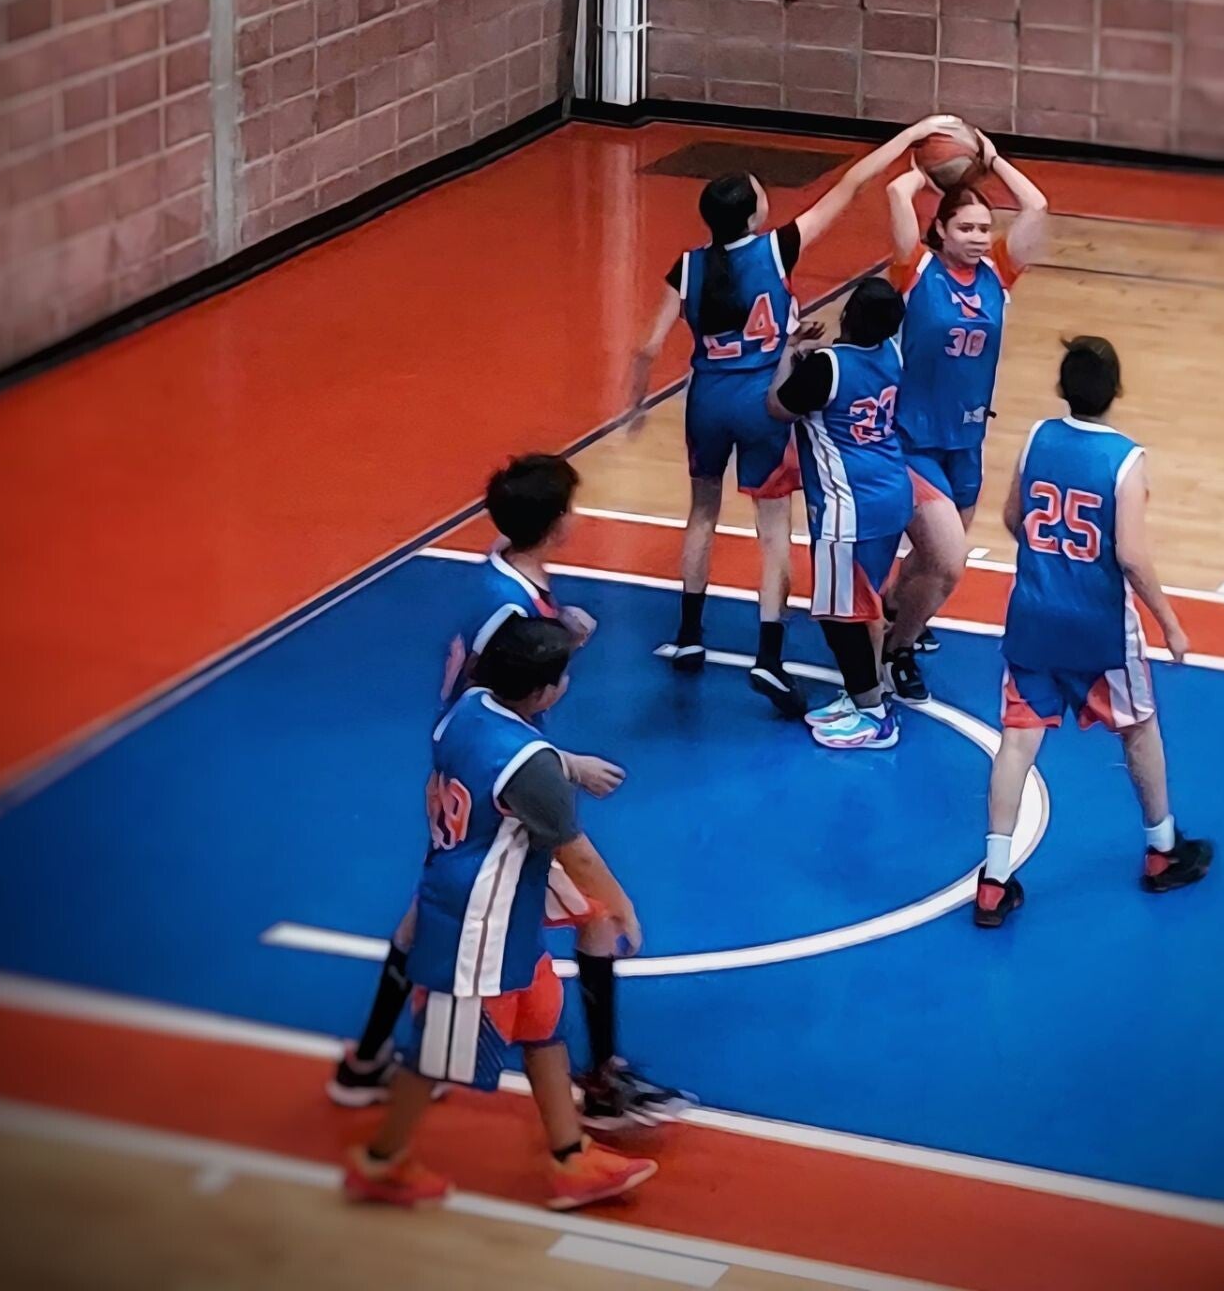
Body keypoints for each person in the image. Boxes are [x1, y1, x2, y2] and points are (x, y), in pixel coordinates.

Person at [329, 454, 688, 1131]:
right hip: (499, 781)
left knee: (423, 920)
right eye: (569, 509)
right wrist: (561, 762)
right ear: (554, 525)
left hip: (479, 767)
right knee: (596, 915)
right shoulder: (509, 607)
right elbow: (490, 690)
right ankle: (601, 1083)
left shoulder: (505, 565)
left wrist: (562, 632)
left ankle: (367, 1061)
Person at [629, 118, 961, 718]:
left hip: (706, 398)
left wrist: (634, 407)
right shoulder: (777, 247)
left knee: (702, 513)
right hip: (763, 395)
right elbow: (852, 183)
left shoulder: (688, 265)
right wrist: (914, 133)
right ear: (752, 215)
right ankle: (768, 654)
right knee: (773, 530)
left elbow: (648, 347)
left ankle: (690, 634)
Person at [344, 616, 659, 1212]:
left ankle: (570, 1156)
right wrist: (621, 906)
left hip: (499, 907)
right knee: (435, 1056)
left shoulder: (467, 709)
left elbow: (505, 756)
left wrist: (566, 764)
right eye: (561, 676)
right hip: (474, 928)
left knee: (541, 1019)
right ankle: (381, 1162)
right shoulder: (531, 765)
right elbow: (577, 853)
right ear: (543, 693)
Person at [975, 337, 1213, 926]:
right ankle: (1162, 849)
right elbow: (1130, 555)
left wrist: (1050, 559)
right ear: (1117, 391)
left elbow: (1012, 517)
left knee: (1017, 742)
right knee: (1139, 727)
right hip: (1097, 628)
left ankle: (994, 880)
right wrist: (1170, 622)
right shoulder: (1125, 460)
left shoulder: (1037, 437)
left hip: (1033, 617)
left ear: (1062, 388)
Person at [880, 140, 1049, 703]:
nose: (977, 238)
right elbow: (895, 191)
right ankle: (896, 651)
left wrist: (990, 159)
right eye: (966, 228)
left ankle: (895, 611)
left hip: (966, 441)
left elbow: (1037, 207)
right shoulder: (916, 268)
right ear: (941, 230)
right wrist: (926, 162)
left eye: (983, 228)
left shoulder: (999, 274)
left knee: (931, 560)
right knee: (949, 563)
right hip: (911, 440)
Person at [766, 277, 911, 752]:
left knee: (839, 616)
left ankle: (873, 713)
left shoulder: (827, 365)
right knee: (861, 604)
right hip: (890, 494)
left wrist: (789, 352)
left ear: (848, 315)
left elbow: (778, 407)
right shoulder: (892, 353)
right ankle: (863, 695)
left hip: (848, 507)